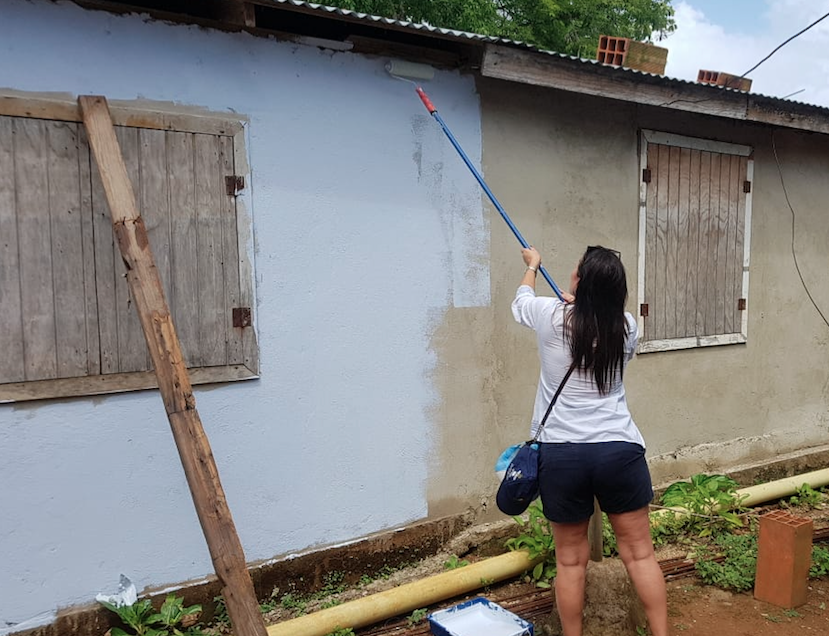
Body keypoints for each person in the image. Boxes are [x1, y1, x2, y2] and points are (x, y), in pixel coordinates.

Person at [511, 245, 668, 636]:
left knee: (569, 562)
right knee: (640, 555)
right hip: (619, 450)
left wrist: (533, 267)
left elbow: (521, 302)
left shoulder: (551, 316)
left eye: (577, 270)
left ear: (580, 281)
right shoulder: (627, 327)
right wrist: (581, 308)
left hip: (562, 455)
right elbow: (595, 328)